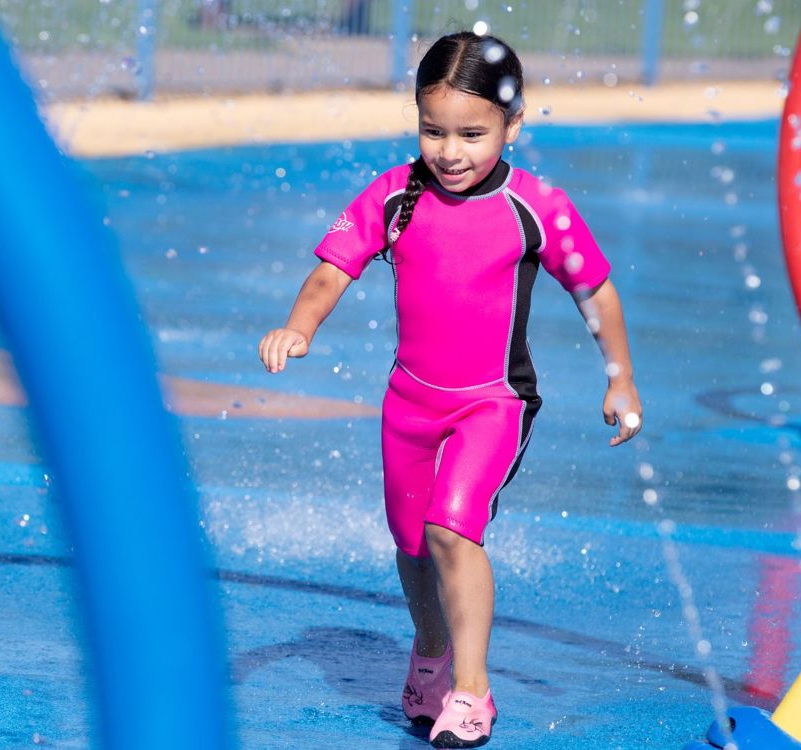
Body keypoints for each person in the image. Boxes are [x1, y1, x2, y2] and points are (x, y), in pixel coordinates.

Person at [257, 30, 642, 749]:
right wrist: (299, 327)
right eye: (434, 130)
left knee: (451, 529)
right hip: (410, 401)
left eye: (473, 133)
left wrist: (619, 377)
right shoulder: (397, 194)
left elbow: (596, 290)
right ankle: (429, 653)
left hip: (493, 400)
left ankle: (471, 692)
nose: (451, 150)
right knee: (410, 543)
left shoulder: (536, 206)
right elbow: (333, 269)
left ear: (512, 125)